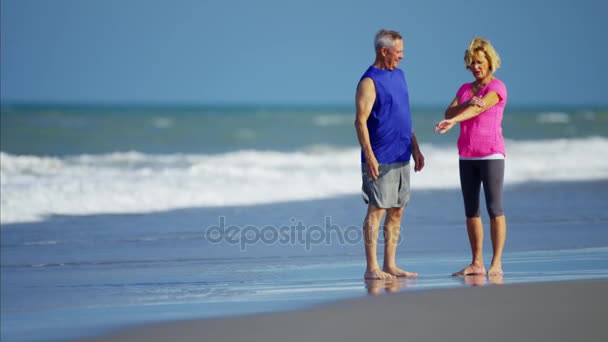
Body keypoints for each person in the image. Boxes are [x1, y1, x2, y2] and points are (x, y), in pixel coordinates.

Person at [355, 29, 425, 280]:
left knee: (397, 210)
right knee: (377, 209)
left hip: (402, 154)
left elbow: (404, 116)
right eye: (398, 52)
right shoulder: (369, 81)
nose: (402, 57)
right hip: (380, 157)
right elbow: (360, 122)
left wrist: (415, 147)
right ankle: (371, 267)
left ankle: (390, 264)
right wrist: (370, 156)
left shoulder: (401, 76)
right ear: (384, 51)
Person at [435, 37, 508, 277]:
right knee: (471, 210)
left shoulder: (497, 87)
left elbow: (479, 108)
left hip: (491, 155)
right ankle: (477, 262)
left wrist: (454, 120)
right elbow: (450, 109)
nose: (475, 66)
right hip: (467, 155)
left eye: (479, 61)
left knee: (494, 208)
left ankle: (496, 262)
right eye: (472, 63)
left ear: (489, 61)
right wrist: (460, 108)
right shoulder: (465, 89)